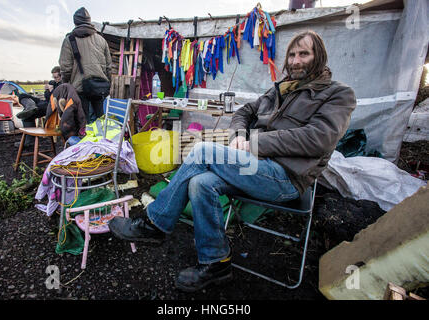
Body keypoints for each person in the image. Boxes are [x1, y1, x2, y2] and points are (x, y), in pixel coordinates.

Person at [109, 30, 357, 292]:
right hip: (254, 167)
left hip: (285, 177)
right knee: (201, 183)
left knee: (202, 150)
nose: (296, 61)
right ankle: (217, 262)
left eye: (304, 54)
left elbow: (319, 138)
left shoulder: (338, 94)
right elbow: (244, 111)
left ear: (319, 56)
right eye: (292, 54)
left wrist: (255, 144)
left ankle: (154, 224)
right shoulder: (281, 89)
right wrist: (239, 135)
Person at [59, 7, 112, 124]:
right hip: (100, 87)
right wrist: (108, 84)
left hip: (79, 87)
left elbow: (65, 67)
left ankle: (85, 141)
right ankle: (101, 142)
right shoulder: (101, 40)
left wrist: (66, 85)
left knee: (83, 123)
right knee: (101, 122)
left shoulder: (69, 40)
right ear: (89, 21)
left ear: (75, 22)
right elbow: (108, 66)